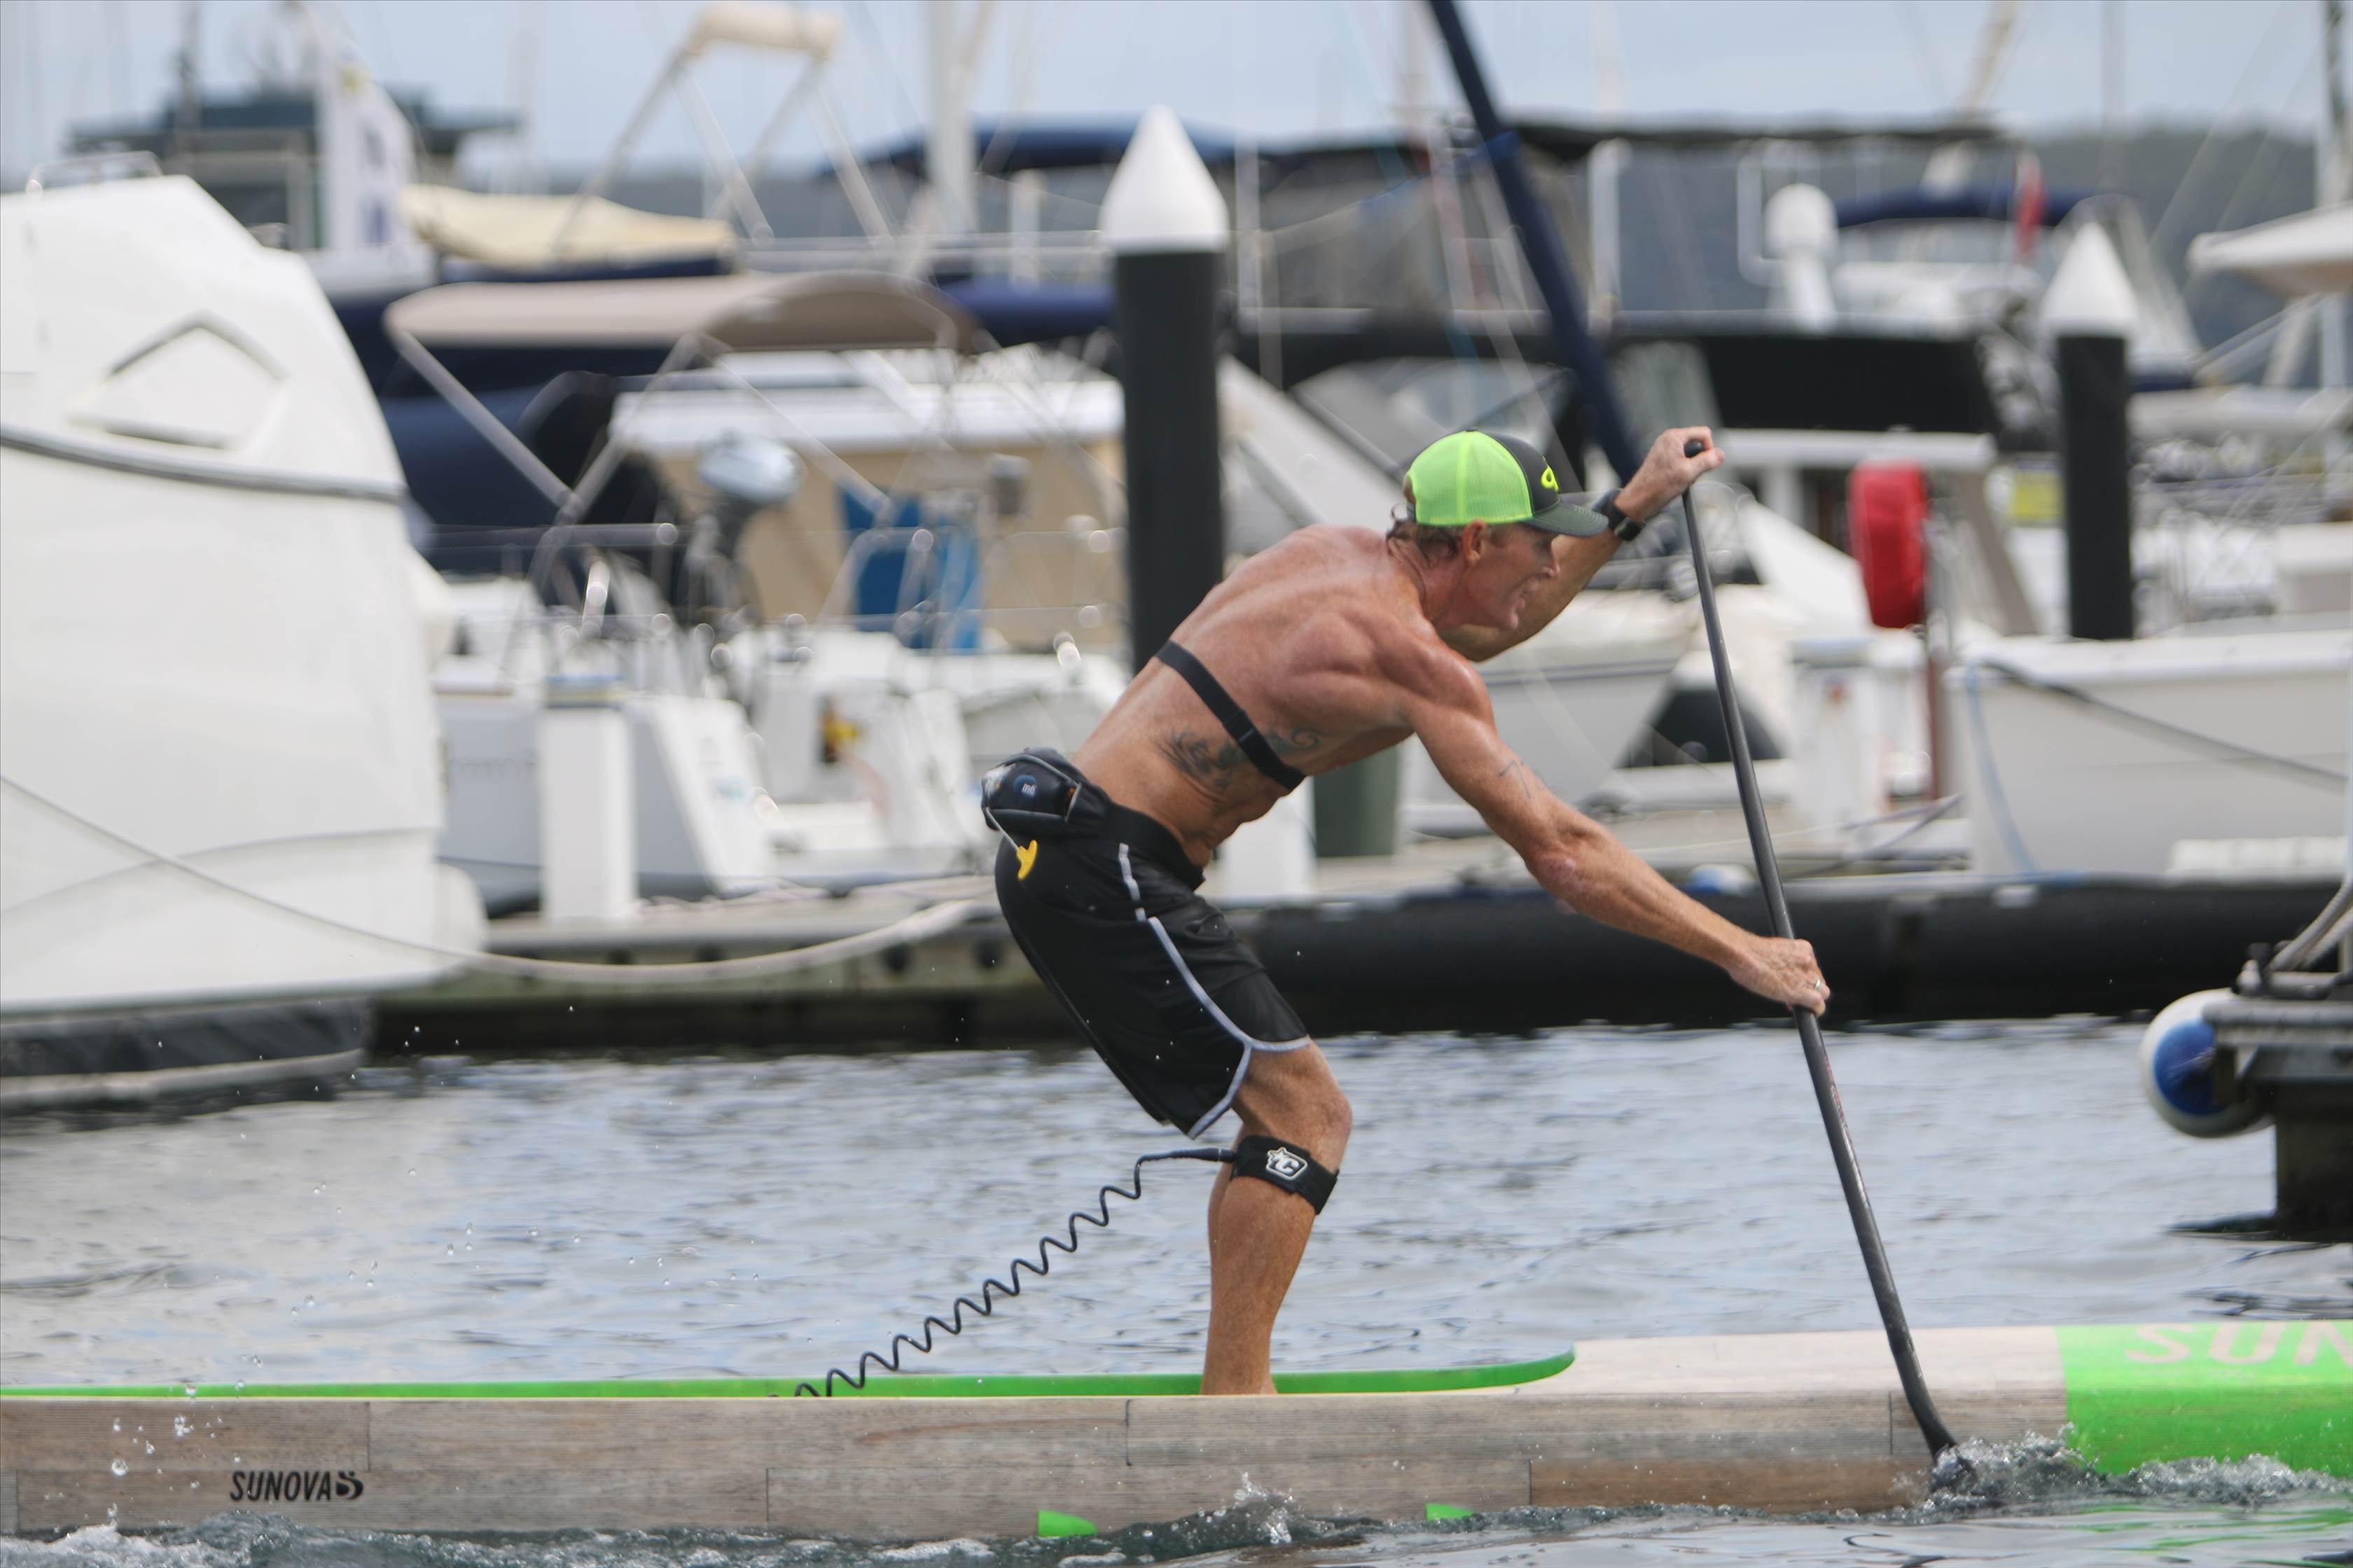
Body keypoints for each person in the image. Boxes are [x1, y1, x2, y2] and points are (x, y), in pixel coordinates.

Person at [983, 426, 1828, 1396]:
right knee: (1308, 1116)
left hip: (1073, 854)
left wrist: (1633, 504)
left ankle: (1232, 1398)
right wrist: (1739, 950)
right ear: (1473, 541)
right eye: (1538, 543)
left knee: (1285, 1116)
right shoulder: (1396, 650)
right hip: (1105, 869)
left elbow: (1496, 621)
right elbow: (1562, 852)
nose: (1551, 564)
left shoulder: (1333, 558)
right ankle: (1236, 1413)